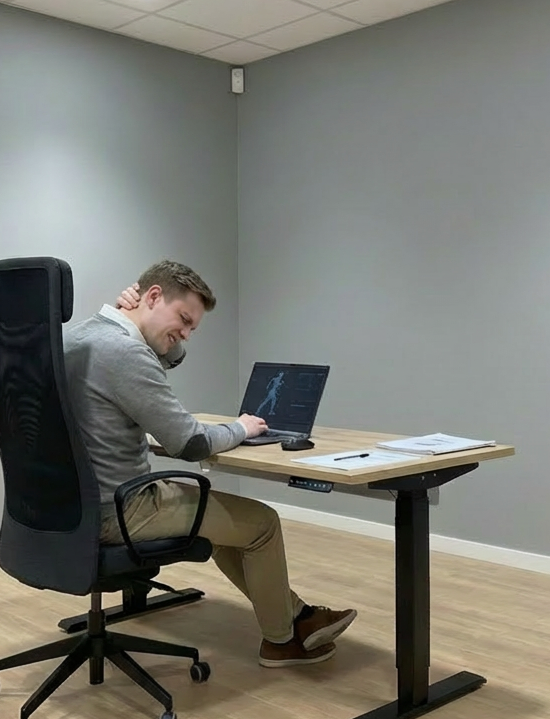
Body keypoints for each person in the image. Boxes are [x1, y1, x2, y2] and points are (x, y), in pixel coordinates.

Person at [62, 259, 357, 667]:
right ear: (151, 297)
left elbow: (164, 353)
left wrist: (166, 329)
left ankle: (296, 616)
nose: (184, 335)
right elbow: (191, 442)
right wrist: (241, 427)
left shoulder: (77, 339)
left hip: (75, 509)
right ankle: (281, 640)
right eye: (183, 320)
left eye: (192, 329)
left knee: (225, 524)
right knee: (262, 525)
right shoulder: (126, 353)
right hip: (123, 511)